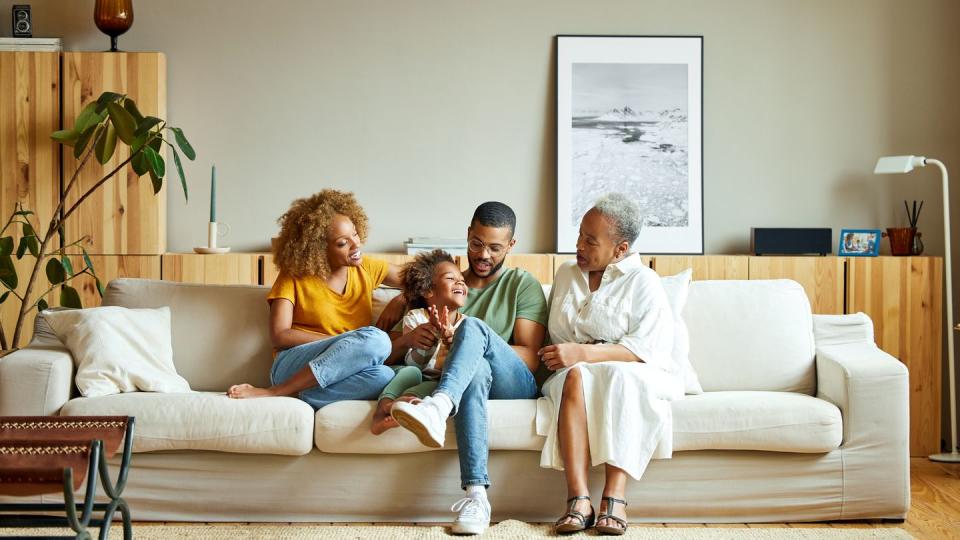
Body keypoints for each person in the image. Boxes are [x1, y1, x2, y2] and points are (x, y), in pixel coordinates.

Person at [377, 202, 547, 536]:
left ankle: (438, 407)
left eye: (495, 248)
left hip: (514, 384)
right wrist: (403, 296)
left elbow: (530, 356)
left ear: (511, 246)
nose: (484, 255)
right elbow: (396, 351)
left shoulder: (521, 284)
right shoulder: (445, 286)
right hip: (475, 382)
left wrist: (467, 343)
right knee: (477, 370)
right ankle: (476, 496)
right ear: (468, 235)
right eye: (477, 244)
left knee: (473, 330)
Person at [538, 193, 682, 535]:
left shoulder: (643, 281)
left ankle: (614, 498)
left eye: (591, 240)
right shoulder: (567, 274)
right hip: (573, 371)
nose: (579, 245)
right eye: (580, 235)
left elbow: (645, 348)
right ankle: (579, 498)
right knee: (575, 377)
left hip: (633, 372)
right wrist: (576, 356)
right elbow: (558, 336)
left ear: (621, 249)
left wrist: (585, 352)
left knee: (619, 377)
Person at [227, 189, 403, 409]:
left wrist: (402, 299)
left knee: (385, 376)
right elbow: (280, 335)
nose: (356, 245)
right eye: (342, 243)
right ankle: (275, 391)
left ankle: (298, 394)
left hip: (340, 369)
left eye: (355, 234)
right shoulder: (294, 275)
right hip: (294, 364)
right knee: (378, 340)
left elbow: (423, 280)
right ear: (319, 250)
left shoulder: (367, 267)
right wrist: (343, 343)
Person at [370, 249, 468, 435]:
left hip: (437, 380)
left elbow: (461, 368)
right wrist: (431, 337)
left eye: (461, 279)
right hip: (412, 371)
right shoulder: (416, 318)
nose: (460, 282)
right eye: (450, 278)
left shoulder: (467, 327)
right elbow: (414, 363)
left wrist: (450, 343)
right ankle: (382, 409)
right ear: (427, 290)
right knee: (411, 372)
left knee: (436, 387)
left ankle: (404, 406)